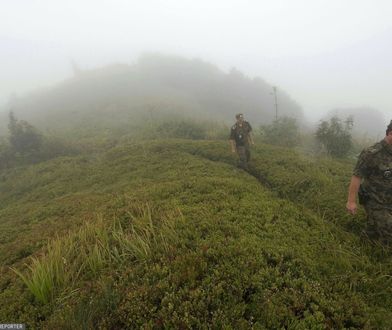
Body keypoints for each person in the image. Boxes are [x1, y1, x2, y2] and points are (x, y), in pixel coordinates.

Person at [346, 120, 392, 243]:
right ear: (390, 133)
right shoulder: (371, 153)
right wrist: (351, 201)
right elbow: (357, 176)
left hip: (389, 201)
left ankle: (365, 245)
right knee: (389, 229)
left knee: (374, 233)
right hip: (374, 201)